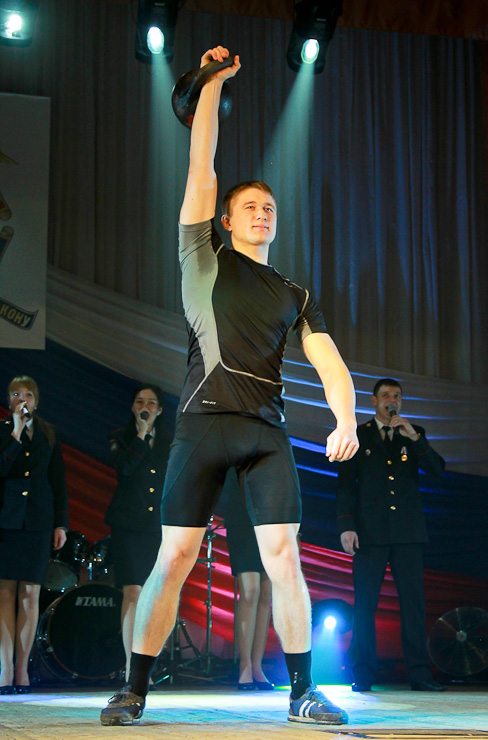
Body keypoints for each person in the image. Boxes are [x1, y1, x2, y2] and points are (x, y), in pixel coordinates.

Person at [100, 45, 358, 727]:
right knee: (175, 555)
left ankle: (302, 693)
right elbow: (202, 163)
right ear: (225, 218)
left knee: (284, 557)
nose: (262, 213)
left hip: (265, 432)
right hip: (204, 424)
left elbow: (329, 361)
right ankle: (133, 689)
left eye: (269, 206)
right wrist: (212, 82)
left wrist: (345, 419)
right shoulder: (201, 255)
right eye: (250, 206)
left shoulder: (294, 293)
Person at [337, 378, 446, 692]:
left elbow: (437, 470)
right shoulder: (359, 434)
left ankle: (420, 675)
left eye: (397, 396)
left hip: (408, 533)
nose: (392, 400)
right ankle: (363, 674)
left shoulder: (413, 434)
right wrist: (346, 525)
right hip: (369, 533)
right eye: (385, 395)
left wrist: (414, 437)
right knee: (365, 605)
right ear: (374, 401)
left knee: (413, 605)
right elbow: (345, 484)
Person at [0, 375, 68, 694]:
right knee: (5, 594)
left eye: (27, 394)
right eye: (16, 394)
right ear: (9, 400)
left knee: (30, 594)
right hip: (6, 521)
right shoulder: (3, 431)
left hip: (39, 521)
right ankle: (5, 667)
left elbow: (58, 481)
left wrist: (60, 524)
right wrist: (15, 432)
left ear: (36, 401)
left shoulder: (49, 433)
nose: (22, 399)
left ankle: (22, 669)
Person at [105, 384, 171, 682]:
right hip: (128, 525)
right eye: (140, 402)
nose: (145, 406)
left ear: (160, 409)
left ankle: (147, 665)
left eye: (151, 402)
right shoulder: (119, 437)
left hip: (158, 527)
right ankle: (131, 667)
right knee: (132, 591)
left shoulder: (171, 441)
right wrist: (142, 434)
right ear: (133, 407)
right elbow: (125, 467)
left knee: (154, 595)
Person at [224, 469, 274, 691]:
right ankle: (244, 665)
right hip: (241, 515)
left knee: (265, 592)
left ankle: (256, 665)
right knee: (250, 590)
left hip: (271, 516)